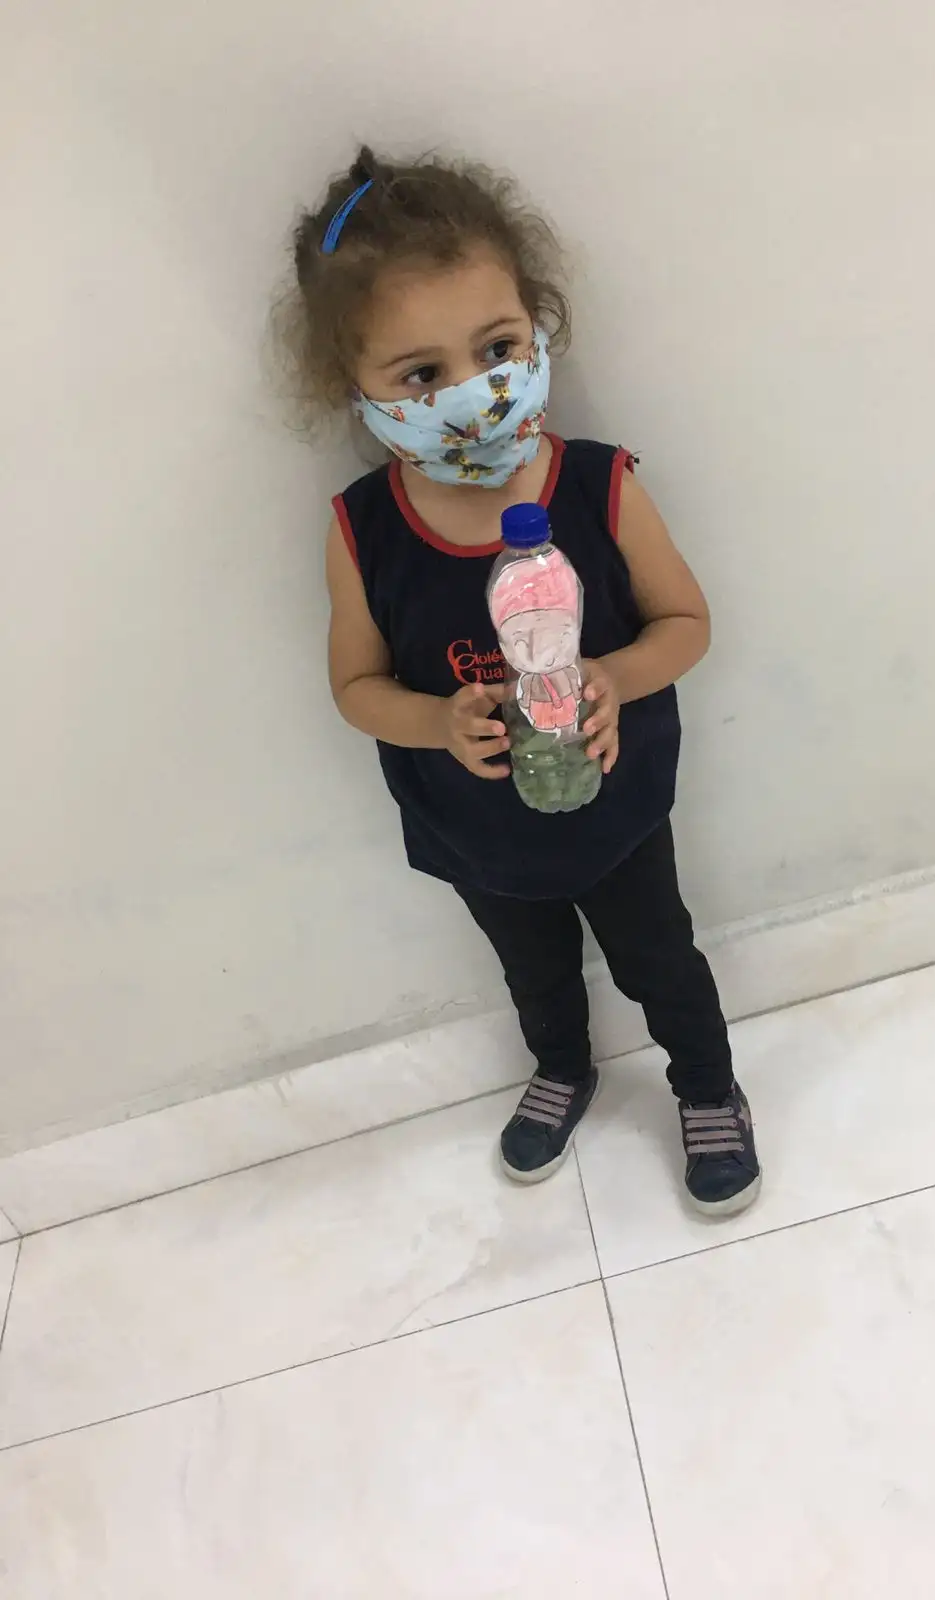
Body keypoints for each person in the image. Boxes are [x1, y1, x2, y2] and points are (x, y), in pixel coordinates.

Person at [279, 146, 760, 1216]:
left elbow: (688, 624)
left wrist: (614, 677)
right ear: (353, 386)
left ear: (536, 331)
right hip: (476, 831)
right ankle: (562, 1066)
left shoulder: (599, 485)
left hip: (615, 810)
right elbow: (355, 688)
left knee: (659, 958)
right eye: (420, 375)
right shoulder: (361, 530)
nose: (471, 394)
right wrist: (437, 721)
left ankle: (707, 1084)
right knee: (532, 969)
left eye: (497, 349)